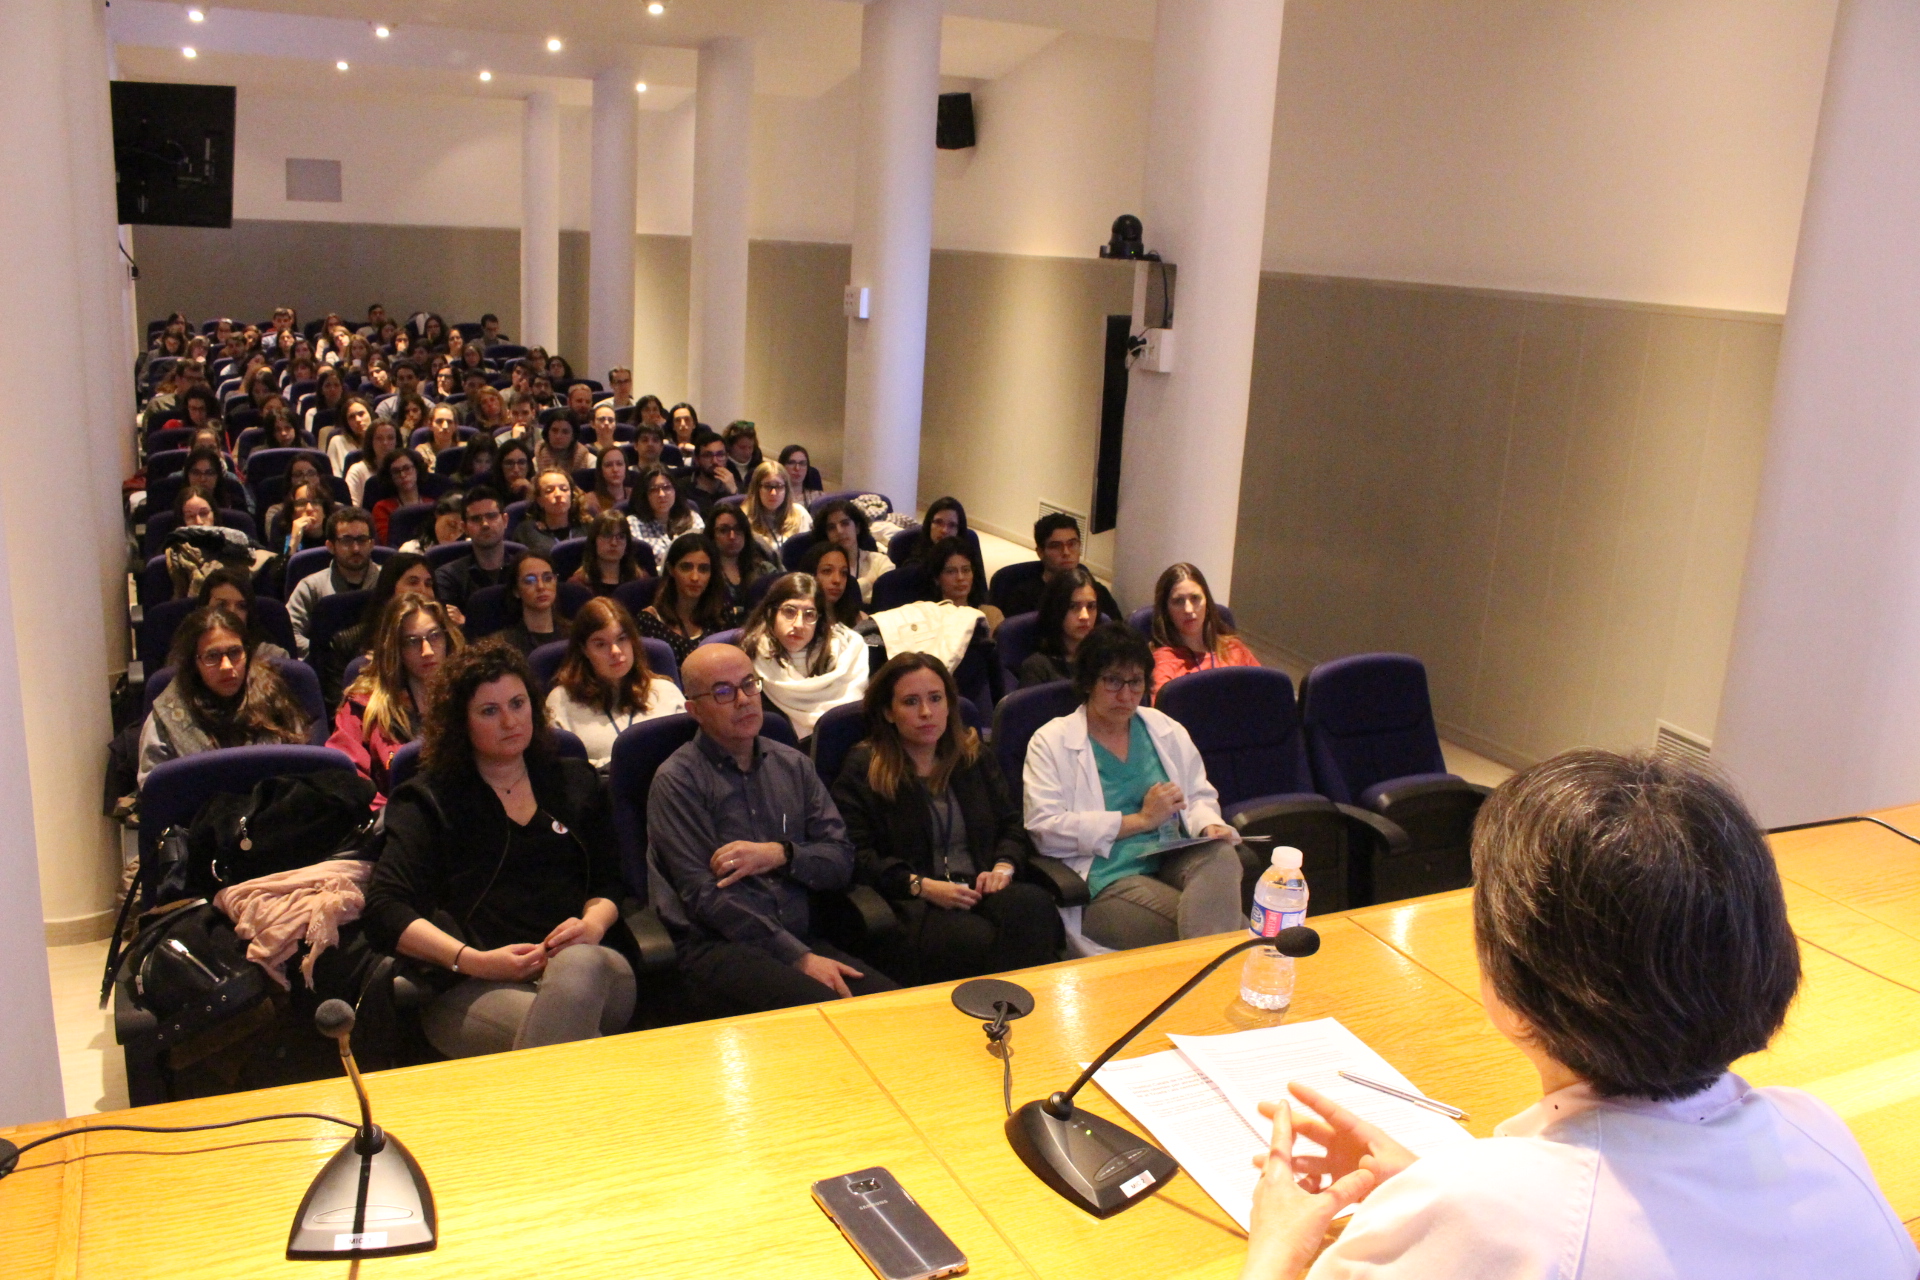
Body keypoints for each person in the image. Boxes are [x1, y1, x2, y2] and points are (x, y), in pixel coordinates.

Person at [1238, 750, 1919, 1280]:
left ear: (1511, 981)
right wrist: (1443, 1193)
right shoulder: (1816, 1130)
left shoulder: (1489, 1218)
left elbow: (1550, 1229)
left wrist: (1276, 1248)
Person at [363, 641, 638, 1059]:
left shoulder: (574, 782)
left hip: (597, 972)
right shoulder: (428, 800)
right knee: (578, 1049)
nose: (510, 721)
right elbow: (386, 908)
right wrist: (474, 961)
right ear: (461, 723)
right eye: (489, 711)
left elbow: (611, 879)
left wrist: (593, 925)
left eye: (518, 703)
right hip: (473, 985)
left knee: (579, 965)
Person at [646, 643, 898, 1012]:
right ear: (694, 710)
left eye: (749, 684)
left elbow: (841, 859)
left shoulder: (793, 765)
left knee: (895, 1007)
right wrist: (799, 958)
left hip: (801, 937)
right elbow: (707, 898)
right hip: (718, 947)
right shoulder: (677, 781)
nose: (744, 699)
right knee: (835, 1013)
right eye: (723, 691)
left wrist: (780, 854)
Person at [833, 653, 1061, 984]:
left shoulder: (973, 756)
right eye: (911, 702)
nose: (926, 712)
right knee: (975, 939)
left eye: (935, 699)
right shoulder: (865, 768)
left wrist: (1003, 866)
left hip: (981, 884)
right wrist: (920, 886)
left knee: (1034, 908)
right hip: (914, 901)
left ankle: (1018, 1015)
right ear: (888, 712)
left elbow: (1011, 824)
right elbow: (857, 855)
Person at [1022, 623, 1245, 950]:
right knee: (1236, 933)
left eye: (1135, 682)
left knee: (1222, 855)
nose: (1126, 695)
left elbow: (1197, 795)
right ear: (1087, 682)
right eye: (1113, 681)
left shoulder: (1164, 729)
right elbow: (1045, 830)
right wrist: (1140, 821)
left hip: (1170, 858)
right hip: (1107, 880)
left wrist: (1209, 824)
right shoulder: (1051, 741)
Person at [138, 606, 311, 784]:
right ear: (193, 663)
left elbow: (300, 769)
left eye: (235, 652)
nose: (227, 666)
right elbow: (154, 790)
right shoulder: (168, 713)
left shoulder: (273, 695)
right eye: (212, 656)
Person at [328, 593, 463, 802]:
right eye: (412, 642)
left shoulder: (472, 695)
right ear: (395, 649)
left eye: (434, 636)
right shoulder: (364, 707)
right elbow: (346, 781)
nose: (427, 651)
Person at [544, 598, 686, 767]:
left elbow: (690, 756)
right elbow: (560, 771)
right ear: (584, 650)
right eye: (601, 644)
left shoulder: (666, 692)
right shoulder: (561, 701)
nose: (615, 651)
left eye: (622, 639)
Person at [740, 572, 868, 742]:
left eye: (809, 614)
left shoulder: (846, 651)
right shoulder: (750, 658)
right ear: (772, 613)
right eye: (789, 611)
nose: (799, 624)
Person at [1146, 562, 1258, 695]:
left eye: (1195, 598)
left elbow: (1266, 697)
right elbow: (1162, 712)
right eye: (1178, 601)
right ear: (1166, 611)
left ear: (1208, 604)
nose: (1188, 609)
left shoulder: (1235, 649)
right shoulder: (1163, 661)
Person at [996, 511, 1122, 620]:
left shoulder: (1097, 591)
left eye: (1072, 544)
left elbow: (1118, 633)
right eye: (1056, 546)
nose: (1066, 552)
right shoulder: (1023, 599)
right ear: (1040, 552)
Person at [287, 507, 378, 656]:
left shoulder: (389, 581)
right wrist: (326, 652)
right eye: (346, 540)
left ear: (372, 544)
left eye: (362, 540)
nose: (355, 548)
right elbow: (289, 633)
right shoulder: (311, 586)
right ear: (330, 546)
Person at [636, 533, 728, 665]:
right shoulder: (649, 621)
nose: (695, 577)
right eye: (686, 567)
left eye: (703, 569)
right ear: (671, 569)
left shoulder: (721, 614)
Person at [1019, 565, 1102, 686]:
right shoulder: (1037, 668)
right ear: (1056, 610)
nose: (1085, 616)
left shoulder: (1106, 660)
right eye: (1073, 606)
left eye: (1091, 606)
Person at [433, 488, 512, 610]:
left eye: (491, 516)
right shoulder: (447, 577)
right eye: (476, 519)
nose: (485, 524)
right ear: (464, 528)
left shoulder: (524, 570)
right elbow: (449, 624)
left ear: (505, 521)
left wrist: (466, 621)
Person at [194, 566, 288, 663]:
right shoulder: (185, 655)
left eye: (241, 606)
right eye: (221, 605)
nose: (232, 612)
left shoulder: (273, 657)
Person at [707, 504, 775, 626]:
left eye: (738, 529)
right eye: (723, 530)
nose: (732, 536)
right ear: (712, 536)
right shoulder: (705, 572)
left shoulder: (764, 569)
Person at [628, 463, 702, 569]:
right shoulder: (633, 524)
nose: (662, 494)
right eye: (654, 489)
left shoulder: (693, 518)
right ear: (644, 495)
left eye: (667, 487)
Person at [495, 551, 566, 656]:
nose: (541, 587)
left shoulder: (576, 635)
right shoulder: (503, 645)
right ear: (516, 591)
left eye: (547, 578)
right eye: (530, 580)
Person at [814, 498, 888, 599]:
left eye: (845, 523)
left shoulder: (879, 562)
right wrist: (869, 582)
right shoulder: (820, 567)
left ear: (857, 527)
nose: (839, 531)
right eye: (831, 527)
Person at [929, 536, 1003, 634]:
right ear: (936, 578)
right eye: (951, 571)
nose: (960, 577)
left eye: (966, 570)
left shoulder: (991, 615)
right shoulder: (927, 620)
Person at [513, 468, 590, 558]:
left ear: (572, 496)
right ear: (539, 500)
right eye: (549, 490)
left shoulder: (588, 528)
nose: (558, 494)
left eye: (564, 489)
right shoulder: (526, 531)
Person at [745, 460, 811, 556]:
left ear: (786, 489)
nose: (773, 493)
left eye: (779, 486)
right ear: (756, 489)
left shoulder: (800, 514)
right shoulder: (744, 519)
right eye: (768, 486)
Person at [573, 513, 648, 597]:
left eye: (621, 536)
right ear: (594, 541)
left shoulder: (641, 581)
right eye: (606, 535)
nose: (614, 543)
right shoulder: (578, 585)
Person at [369, 447, 428, 545]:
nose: (403, 475)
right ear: (390, 477)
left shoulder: (431, 503)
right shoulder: (382, 508)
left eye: (407, 468)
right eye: (396, 471)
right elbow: (387, 542)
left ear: (417, 469)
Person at [801, 541, 864, 628]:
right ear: (811, 574)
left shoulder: (857, 617)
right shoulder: (798, 620)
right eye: (827, 571)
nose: (837, 580)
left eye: (844, 573)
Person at [678, 429, 737, 517]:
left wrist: (734, 494)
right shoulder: (682, 488)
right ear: (697, 460)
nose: (715, 461)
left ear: (727, 457)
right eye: (708, 455)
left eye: (720, 455)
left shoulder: (735, 485)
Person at [269, 478, 334, 558]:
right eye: (301, 503)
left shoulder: (335, 536)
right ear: (292, 513)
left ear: (324, 511)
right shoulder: (283, 533)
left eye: (316, 502)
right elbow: (280, 570)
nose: (309, 509)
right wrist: (293, 542)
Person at [399, 491, 466, 554]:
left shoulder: (467, 551)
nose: (453, 535)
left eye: (461, 530)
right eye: (451, 525)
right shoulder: (411, 550)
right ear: (438, 513)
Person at [327, 396, 375, 476]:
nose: (358, 420)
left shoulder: (382, 439)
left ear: (370, 414)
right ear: (347, 423)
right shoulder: (337, 442)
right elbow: (334, 477)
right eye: (352, 417)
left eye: (361, 414)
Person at [582, 444, 632, 519]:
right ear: (600, 471)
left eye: (619, 464)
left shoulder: (635, 495)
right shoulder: (590, 501)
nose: (615, 469)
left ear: (626, 468)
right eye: (608, 465)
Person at [723, 421, 763, 491]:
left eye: (750, 447)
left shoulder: (760, 467)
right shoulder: (722, 466)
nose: (747, 452)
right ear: (729, 446)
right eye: (742, 447)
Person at [496, 437, 536, 503]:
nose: (516, 470)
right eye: (509, 463)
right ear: (500, 466)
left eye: (521, 463)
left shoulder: (539, 487)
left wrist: (531, 492)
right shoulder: (489, 491)